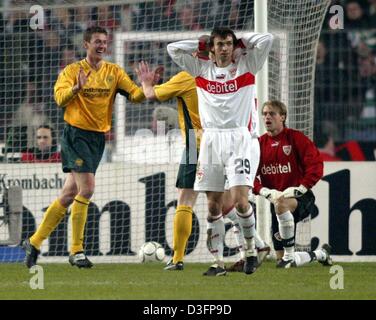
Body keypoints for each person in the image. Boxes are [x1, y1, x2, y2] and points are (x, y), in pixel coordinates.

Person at [22, 26, 154, 269]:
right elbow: (59, 98)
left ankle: (35, 241)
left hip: (97, 139)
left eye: (104, 42)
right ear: (86, 44)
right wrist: (76, 88)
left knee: (69, 194)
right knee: (88, 188)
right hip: (76, 135)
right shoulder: (72, 71)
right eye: (97, 42)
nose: (102, 45)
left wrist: (145, 85)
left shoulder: (113, 72)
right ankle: (76, 250)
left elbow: (135, 95)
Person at [137, 63, 270, 272]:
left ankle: (178, 258)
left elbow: (150, 95)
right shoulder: (225, 77)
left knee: (186, 199)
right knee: (225, 204)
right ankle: (258, 245)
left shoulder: (187, 76)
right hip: (230, 142)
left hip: (196, 142)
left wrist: (147, 83)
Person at [167, 27, 273, 275]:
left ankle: (249, 252)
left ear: (234, 47)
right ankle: (218, 263)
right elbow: (173, 49)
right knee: (213, 205)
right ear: (212, 48)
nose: (224, 48)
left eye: (228, 43)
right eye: (219, 44)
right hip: (211, 140)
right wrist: (200, 42)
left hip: (239, 139)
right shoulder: (201, 69)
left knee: (240, 201)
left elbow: (266, 39)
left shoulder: (248, 64)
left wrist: (242, 41)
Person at [253, 100, 333, 268]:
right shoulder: (258, 145)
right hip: (276, 202)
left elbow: (316, 164)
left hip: (301, 198)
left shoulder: (295, 138)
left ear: (282, 117)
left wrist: (301, 188)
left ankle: (290, 256)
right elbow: (248, 176)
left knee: (281, 205)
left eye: (272, 113)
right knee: (280, 260)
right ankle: (321, 254)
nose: (267, 117)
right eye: (265, 114)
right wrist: (264, 191)